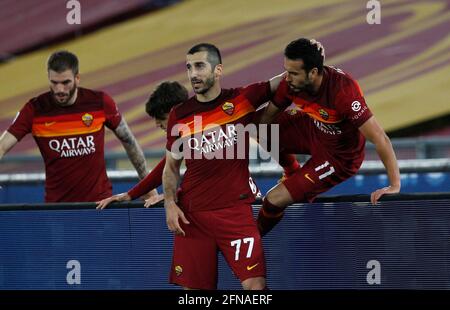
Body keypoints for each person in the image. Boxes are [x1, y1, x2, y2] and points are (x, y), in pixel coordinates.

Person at [163, 43, 284, 290]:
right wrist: (169, 202)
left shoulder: (241, 100)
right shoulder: (180, 115)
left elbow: (283, 81)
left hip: (235, 213)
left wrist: (311, 57)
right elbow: (171, 167)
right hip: (192, 217)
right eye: (188, 67)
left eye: (199, 66)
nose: (193, 74)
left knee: (256, 287)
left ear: (218, 70)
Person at [257, 38, 401, 237]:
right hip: (312, 128)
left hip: (338, 157)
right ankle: (291, 171)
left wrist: (394, 185)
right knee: (254, 125)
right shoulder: (290, 83)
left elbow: (380, 138)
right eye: (286, 71)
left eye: (293, 73)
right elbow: (265, 120)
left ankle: (249, 246)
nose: (287, 78)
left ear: (313, 73)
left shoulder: (343, 92)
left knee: (273, 200)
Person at [0, 50, 152, 202]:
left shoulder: (100, 102)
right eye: (54, 83)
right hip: (57, 209)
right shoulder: (34, 109)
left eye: (66, 83)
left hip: (100, 205)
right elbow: (3, 145)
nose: (60, 89)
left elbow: (128, 140)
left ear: (77, 78)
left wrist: (147, 185)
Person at [96, 81, 189, 209]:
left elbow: (207, 177)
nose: (157, 124)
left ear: (177, 111)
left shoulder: (202, 131)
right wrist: (131, 194)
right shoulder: (182, 135)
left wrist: (172, 195)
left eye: (161, 117)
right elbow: (167, 165)